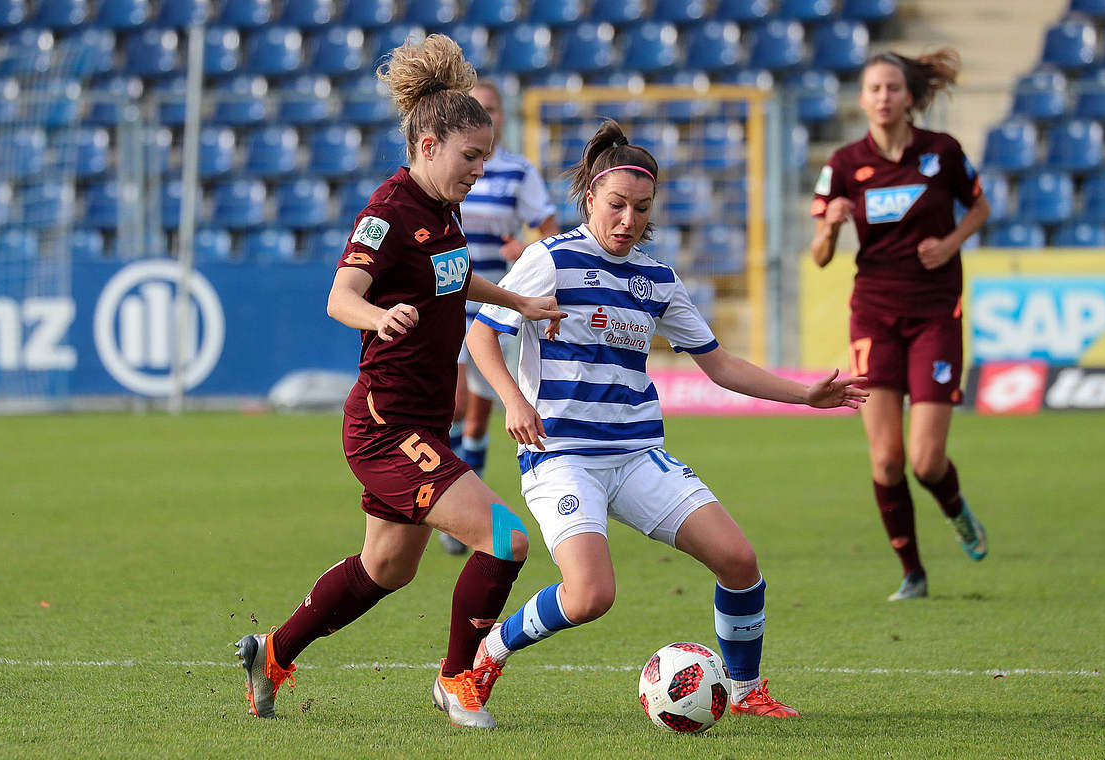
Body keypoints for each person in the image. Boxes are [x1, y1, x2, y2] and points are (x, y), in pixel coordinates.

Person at [463, 120, 867, 720]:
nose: (627, 220)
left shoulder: (658, 280)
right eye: (617, 205)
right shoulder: (549, 259)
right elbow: (480, 335)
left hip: (635, 456)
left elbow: (722, 366)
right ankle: (488, 653)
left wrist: (805, 394)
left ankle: (746, 690)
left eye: (641, 209)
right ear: (590, 198)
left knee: (739, 561)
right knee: (591, 595)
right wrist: (515, 403)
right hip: (562, 458)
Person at [233, 34, 564, 729]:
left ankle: (273, 652)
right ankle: (456, 682)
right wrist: (377, 316)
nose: (480, 169)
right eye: (471, 156)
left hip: (420, 420)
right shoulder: (386, 212)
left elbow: (452, 278)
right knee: (506, 539)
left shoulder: (442, 210)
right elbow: (340, 295)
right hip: (387, 428)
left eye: (485, 156)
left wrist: (517, 302)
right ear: (427, 146)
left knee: (387, 569)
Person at [809, 49, 991, 602]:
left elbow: (980, 207)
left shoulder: (942, 152)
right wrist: (832, 228)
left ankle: (955, 508)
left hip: (936, 311)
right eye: (874, 89)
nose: (883, 97)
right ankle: (912, 572)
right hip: (874, 315)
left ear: (909, 96)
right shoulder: (843, 164)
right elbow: (818, 255)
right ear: (863, 99)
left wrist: (953, 242)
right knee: (886, 458)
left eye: (893, 88)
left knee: (926, 459)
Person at [439, 79, 561, 555]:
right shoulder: (445, 168)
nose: (485, 115)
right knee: (455, 406)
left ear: (502, 118)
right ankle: (453, 502)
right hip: (449, 300)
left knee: (477, 411)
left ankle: (458, 514)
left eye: (491, 109)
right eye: (476, 108)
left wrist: (524, 248)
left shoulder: (517, 171)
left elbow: (550, 238)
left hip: (497, 303)